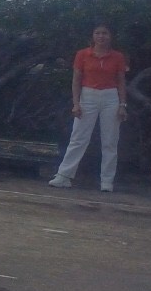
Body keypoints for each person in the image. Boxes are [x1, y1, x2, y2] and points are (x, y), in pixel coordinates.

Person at [49, 24, 129, 192]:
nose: (101, 36)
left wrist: (122, 105)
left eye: (105, 33)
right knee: (78, 137)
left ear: (110, 36)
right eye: (97, 33)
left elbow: (121, 81)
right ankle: (64, 176)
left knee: (110, 140)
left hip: (110, 97)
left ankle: (107, 181)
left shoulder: (117, 57)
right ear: (93, 36)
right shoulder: (82, 54)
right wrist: (76, 103)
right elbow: (76, 80)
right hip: (88, 95)